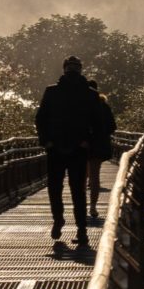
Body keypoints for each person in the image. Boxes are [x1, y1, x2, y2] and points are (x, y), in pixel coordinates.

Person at [35, 56, 100, 247]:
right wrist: (87, 142)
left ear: (64, 69)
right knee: (77, 190)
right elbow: (98, 124)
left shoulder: (52, 91)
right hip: (78, 148)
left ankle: (59, 220)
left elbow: (40, 119)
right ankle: (81, 229)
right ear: (80, 70)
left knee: (55, 187)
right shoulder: (90, 94)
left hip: (55, 147)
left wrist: (46, 141)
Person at [85, 78, 117, 217]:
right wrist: (102, 135)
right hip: (98, 146)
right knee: (94, 176)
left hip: (81, 145)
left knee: (81, 176)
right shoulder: (103, 106)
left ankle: (81, 205)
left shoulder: (80, 105)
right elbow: (112, 126)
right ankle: (92, 207)